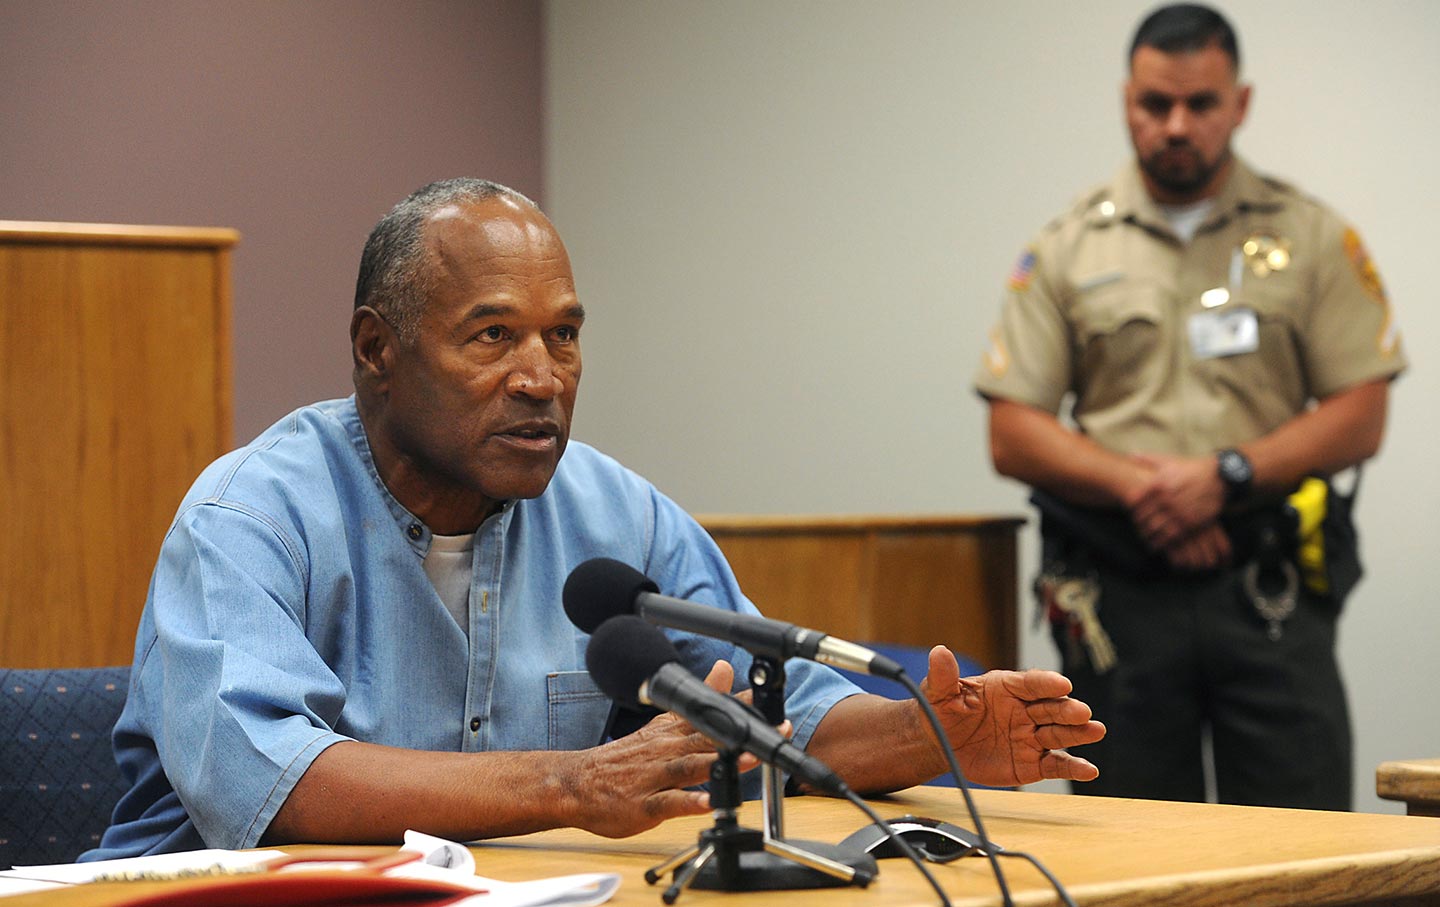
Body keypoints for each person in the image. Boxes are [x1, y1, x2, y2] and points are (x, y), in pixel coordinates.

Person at [86, 178, 1104, 859]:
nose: (541, 379)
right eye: (493, 336)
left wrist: (930, 735)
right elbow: (273, 783)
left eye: (563, 336)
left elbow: (768, 707)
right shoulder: (250, 516)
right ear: (376, 349)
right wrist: (572, 784)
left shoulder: (617, 513)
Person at [975, 3, 1404, 811]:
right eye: (1154, 104)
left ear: (1238, 104)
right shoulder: (1069, 246)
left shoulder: (1309, 235)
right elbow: (1012, 429)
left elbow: (1361, 408)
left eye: (1200, 104)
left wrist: (1227, 476)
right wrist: (1145, 487)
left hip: (1269, 593)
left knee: (1303, 857)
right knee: (1127, 857)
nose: (1176, 125)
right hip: (1118, 601)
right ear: (1125, 100)